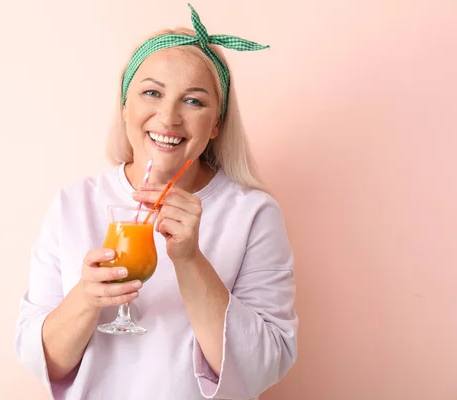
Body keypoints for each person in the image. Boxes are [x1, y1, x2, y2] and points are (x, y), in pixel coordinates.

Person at [15, 4, 298, 400]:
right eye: (152, 92)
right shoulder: (73, 202)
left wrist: (189, 260)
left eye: (194, 101)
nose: (168, 118)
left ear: (216, 123)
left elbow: (263, 367)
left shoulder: (253, 214)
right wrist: (86, 298)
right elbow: (42, 360)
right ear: (125, 105)